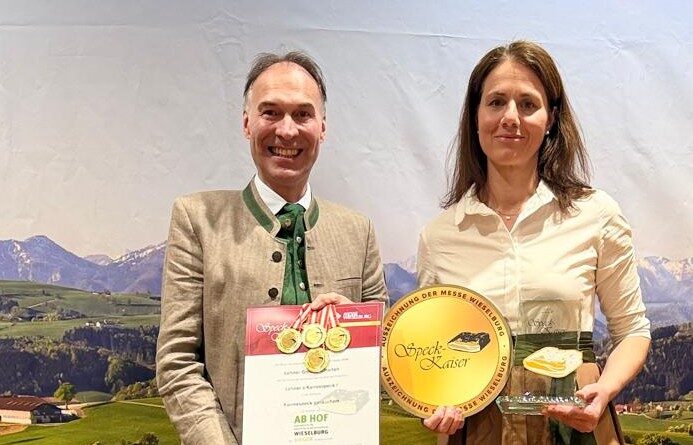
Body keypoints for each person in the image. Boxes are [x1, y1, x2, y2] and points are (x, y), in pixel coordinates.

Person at [418, 40, 650, 444]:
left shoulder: (596, 214)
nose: (511, 117)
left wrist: (605, 389)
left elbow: (633, 330)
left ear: (551, 119)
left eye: (527, 104)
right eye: (496, 102)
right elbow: (429, 350)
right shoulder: (439, 236)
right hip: (476, 431)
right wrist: (432, 400)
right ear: (475, 116)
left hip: (576, 424)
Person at [155, 51, 388, 445]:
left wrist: (357, 330)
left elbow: (383, 354)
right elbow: (177, 362)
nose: (287, 130)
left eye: (303, 114)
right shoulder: (197, 219)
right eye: (271, 113)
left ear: (322, 127)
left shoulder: (358, 231)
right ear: (247, 123)